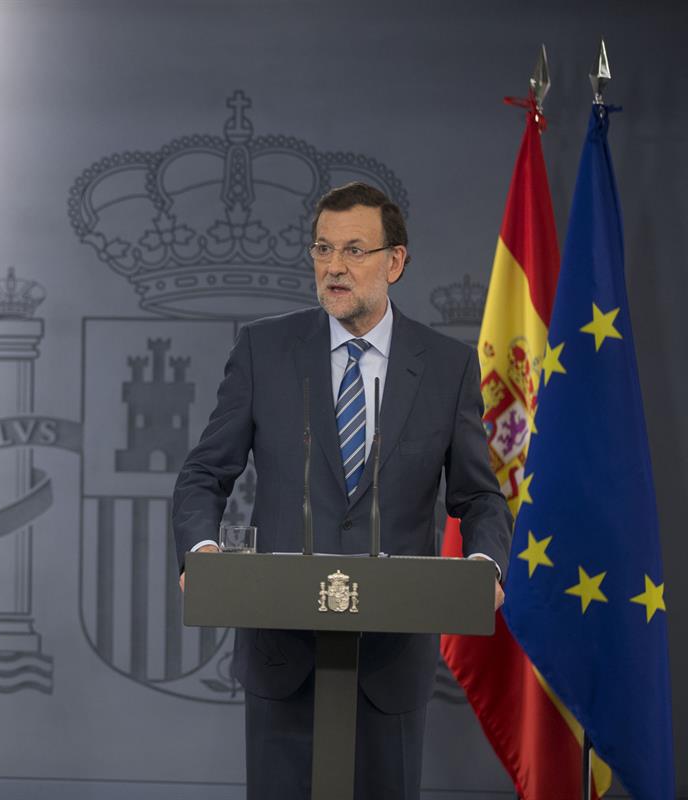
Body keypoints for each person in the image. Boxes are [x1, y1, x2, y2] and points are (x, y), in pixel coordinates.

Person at [172, 182, 511, 799]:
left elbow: (480, 496)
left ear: (395, 262)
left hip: (391, 662)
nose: (333, 267)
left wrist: (485, 564)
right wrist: (200, 550)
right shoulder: (265, 350)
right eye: (323, 249)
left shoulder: (444, 367)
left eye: (354, 250)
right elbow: (203, 472)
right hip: (285, 653)